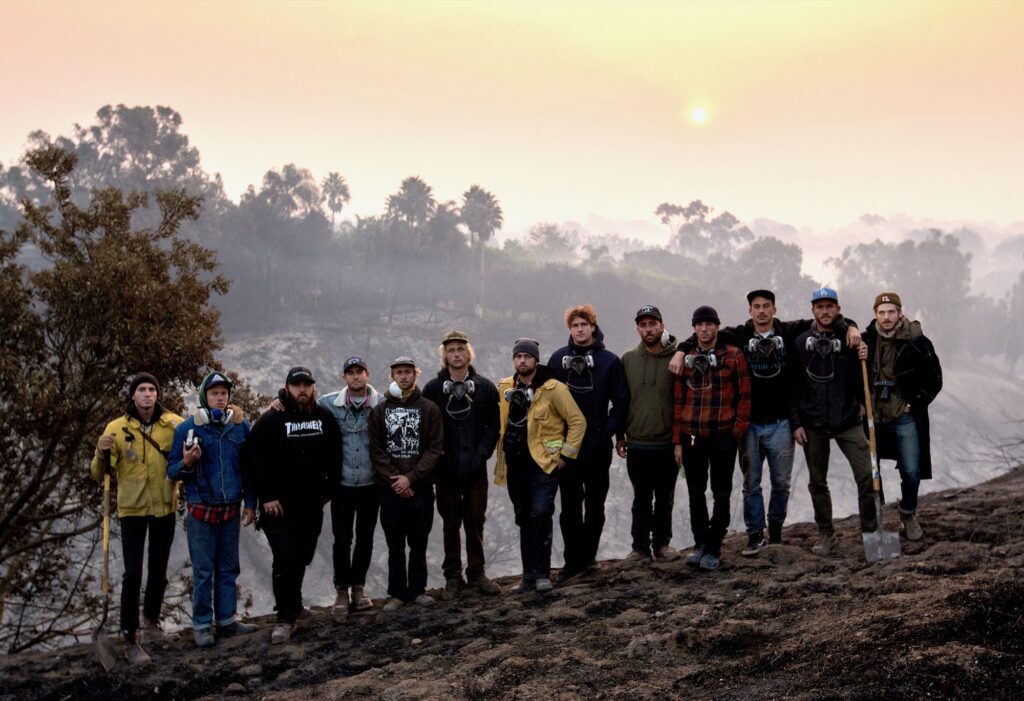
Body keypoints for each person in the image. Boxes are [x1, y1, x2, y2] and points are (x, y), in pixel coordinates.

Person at [672, 290, 859, 555]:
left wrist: (851, 326)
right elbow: (705, 334)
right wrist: (681, 351)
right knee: (752, 484)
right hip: (750, 424)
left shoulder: (790, 330)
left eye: (766, 306)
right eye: (756, 306)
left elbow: (826, 321)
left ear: (774, 309)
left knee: (781, 483)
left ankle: (776, 533)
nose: (761, 311)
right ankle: (754, 535)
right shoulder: (737, 334)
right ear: (749, 311)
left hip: (782, 422)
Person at [90, 372, 183, 661]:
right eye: (141, 389)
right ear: (133, 395)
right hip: (132, 509)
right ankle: (130, 636)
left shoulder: (173, 425)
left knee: (158, 570)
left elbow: (190, 447)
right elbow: (100, 473)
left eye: (151, 389)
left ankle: (151, 623)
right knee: (133, 573)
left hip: (164, 507)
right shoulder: (116, 429)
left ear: (158, 394)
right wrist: (100, 452)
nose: (147, 394)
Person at [246, 366, 342, 644]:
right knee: (284, 556)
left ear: (313, 387)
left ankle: (296, 605)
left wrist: (329, 490)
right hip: (278, 506)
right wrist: (267, 496)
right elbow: (255, 459)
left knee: (302, 555)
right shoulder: (271, 419)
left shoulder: (323, 417)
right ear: (287, 388)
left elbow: (336, 454)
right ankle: (285, 618)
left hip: (310, 504)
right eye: (297, 385)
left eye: (307, 384)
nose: (302, 389)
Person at [167, 371, 258, 647]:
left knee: (229, 567)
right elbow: (172, 472)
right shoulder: (186, 429)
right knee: (204, 570)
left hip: (230, 509)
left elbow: (249, 470)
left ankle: (227, 621)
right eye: (215, 393)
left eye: (224, 393)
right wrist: (186, 462)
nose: (220, 398)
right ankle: (202, 625)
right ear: (204, 398)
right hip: (200, 512)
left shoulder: (241, 427)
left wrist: (251, 503)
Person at [791, 288, 877, 556]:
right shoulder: (800, 342)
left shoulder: (852, 339)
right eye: (820, 306)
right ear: (812, 310)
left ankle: (872, 533)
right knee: (817, 481)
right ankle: (826, 534)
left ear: (838, 308)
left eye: (830, 306)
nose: (825, 311)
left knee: (867, 475)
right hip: (813, 422)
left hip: (848, 419)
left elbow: (865, 374)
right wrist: (796, 423)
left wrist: (864, 400)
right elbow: (791, 387)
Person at [495, 338, 586, 593]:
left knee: (541, 513)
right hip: (515, 464)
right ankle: (527, 577)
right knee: (524, 518)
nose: (522, 360)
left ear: (536, 359)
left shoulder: (553, 388)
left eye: (527, 356)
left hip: (544, 463)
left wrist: (566, 456)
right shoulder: (505, 387)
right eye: (518, 356)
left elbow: (577, 421)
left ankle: (542, 574)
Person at [547, 305, 629, 580]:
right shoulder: (558, 360)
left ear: (593, 327)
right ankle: (572, 562)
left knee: (595, 506)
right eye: (575, 325)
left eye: (584, 324)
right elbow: (547, 404)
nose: (580, 329)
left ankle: (589, 557)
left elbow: (621, 402)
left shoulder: (610, 362)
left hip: (597, 446)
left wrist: (605, 431)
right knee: (569, 507)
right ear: (570, 329)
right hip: (566, 449)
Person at [422, 331, 502, 599]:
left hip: (475, 469)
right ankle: (453, 577)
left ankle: (477, 574)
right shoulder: (433, 390)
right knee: (450, 524)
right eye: (451, 350)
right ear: (445, 355)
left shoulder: (487, 388)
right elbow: (426, 428)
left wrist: (481, 454)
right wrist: (437, 458)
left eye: (460, 349)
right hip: (445, 471)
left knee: (475, 521)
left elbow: (494, 427)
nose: (456, 354)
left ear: (469, 353)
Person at [672, 306, 751, 571]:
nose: (705, 329)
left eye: (709, 324)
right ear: (694, 328)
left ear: (717, 326)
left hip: (722, 436)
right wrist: (678, 440)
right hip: (692, 436)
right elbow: (677, 400)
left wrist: (736, 431)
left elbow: (745, 396)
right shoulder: (685, 358)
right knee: (696, 492)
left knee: (722, 492)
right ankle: (700, 543)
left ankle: (715, 545)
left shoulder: (733, 355)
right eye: (700, 325)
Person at [859, 292, 943, 541]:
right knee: (871, 473)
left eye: (891, 312)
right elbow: (851, 377)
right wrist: (859, 404)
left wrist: (914, 404)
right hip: (873, 418)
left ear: (900, 313)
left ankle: (908, 514)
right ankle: (878, 518)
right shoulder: (864, 341)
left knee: (911, 471)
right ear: (875, 314)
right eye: (881, 312)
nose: (886, 317)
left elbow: (934, 379)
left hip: (904, 417)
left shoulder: (918, 342)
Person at [368, 356, 444, 610]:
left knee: (419, 542)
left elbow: (435, 449)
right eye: (399, 372)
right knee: (395, 544)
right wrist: (396, 480)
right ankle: (397, 593)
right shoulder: (379, 411)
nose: (404, 376)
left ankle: (418, 590)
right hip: (390, 491)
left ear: (415, 375)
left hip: (421, 489)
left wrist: (410, 478)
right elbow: (376, 450)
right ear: (393, 375)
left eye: (408, 372)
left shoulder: (430, 409)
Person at [318, 357, 384, 613]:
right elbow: (300, 404)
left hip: (371, 483)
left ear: (367, 374)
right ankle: (341, 591)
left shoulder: (382, 405)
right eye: (350, 372)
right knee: (342, 539)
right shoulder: (328, 404)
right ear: (344, 377)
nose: (355, 376)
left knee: (365, 539)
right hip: (343, 484)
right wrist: (279, 400)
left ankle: (359, 587)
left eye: (360, 372)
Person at [619, 306, 682, 563]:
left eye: (652, 324)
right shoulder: (628, 360)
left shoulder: (676, 358)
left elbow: (681, 401)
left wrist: (680, 441)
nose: (648, 329)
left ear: (662, 325)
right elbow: (622, 400)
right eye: (643, 325)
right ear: (638, 329)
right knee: (641, 498)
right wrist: (619, 436)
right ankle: (640, 547)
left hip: (667, 443)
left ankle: (662, 545)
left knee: (665, 498)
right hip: (638, 441)